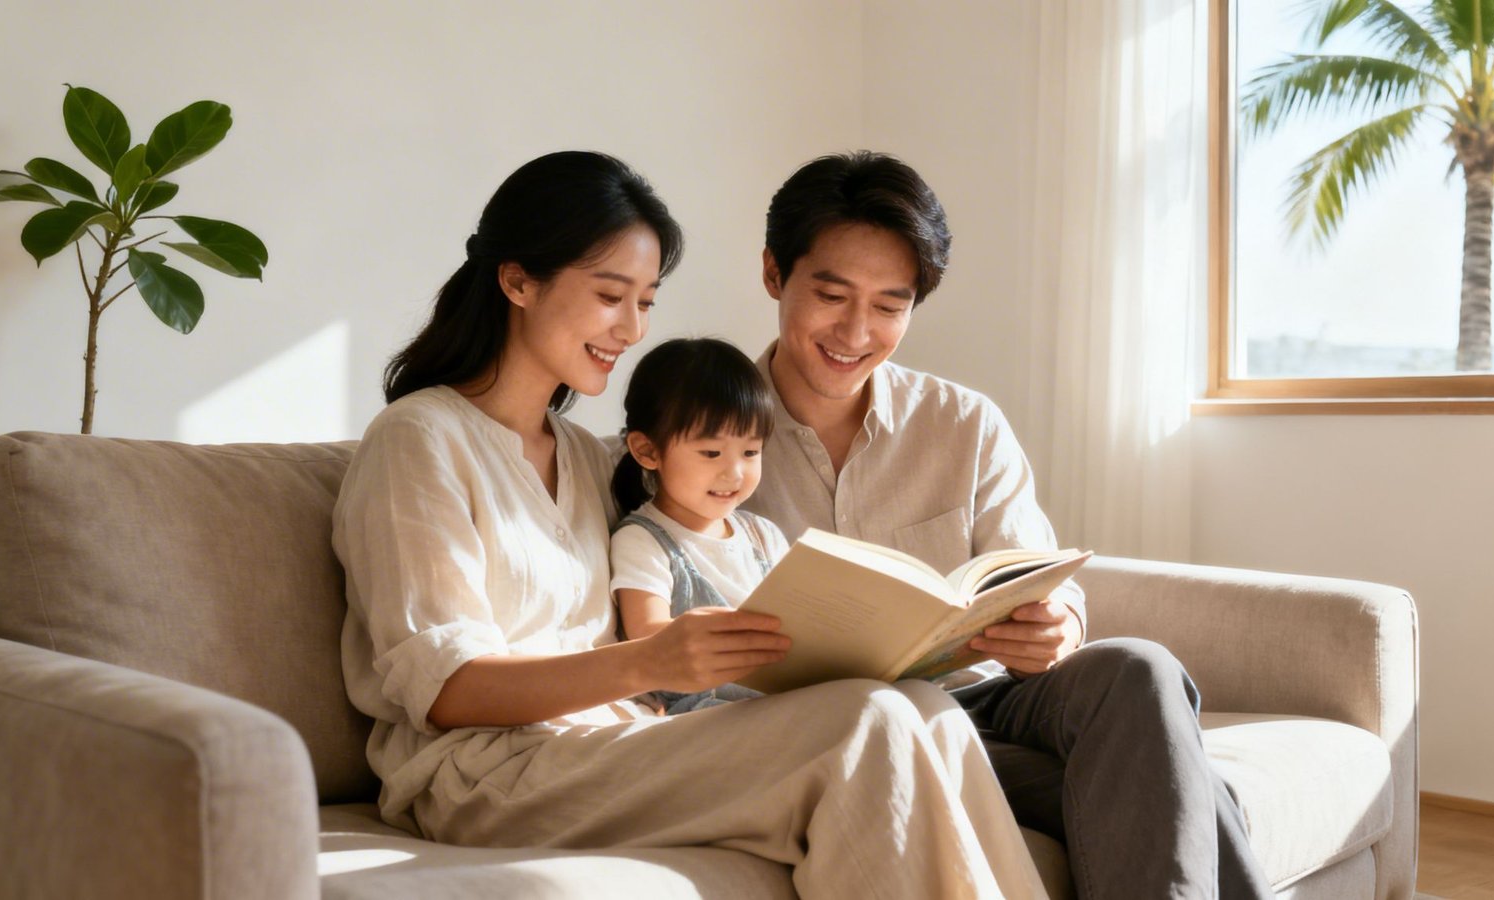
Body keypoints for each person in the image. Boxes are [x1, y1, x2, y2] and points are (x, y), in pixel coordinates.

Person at [332, 149, 1046, 899]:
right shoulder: (417, 439)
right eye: (612, 295)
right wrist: (652, 662)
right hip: (487, 774)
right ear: (517, 280)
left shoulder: (582, 453)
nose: (632, 330)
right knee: (863, 723)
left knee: (924, 710)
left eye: (646, 301)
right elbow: (444, 690)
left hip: (614, 742)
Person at [743, 150, 1274, 900]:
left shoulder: (962, 423)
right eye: (831, 295)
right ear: (774, 274)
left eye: (890, 306)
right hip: (847, 731)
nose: (856, 331)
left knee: (1140, 669)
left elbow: (1036, 576)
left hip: (992, 702)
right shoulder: (702, 432)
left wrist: (1055, 624)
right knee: (1173, 781)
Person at [608, 337, 787, 713]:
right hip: (708, 713)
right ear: (647, 451)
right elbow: (648, 640)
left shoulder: (763, 535)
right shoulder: (642, 540)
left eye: (751, 452)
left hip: (781, 698)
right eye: (711, 452)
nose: (734, 472)